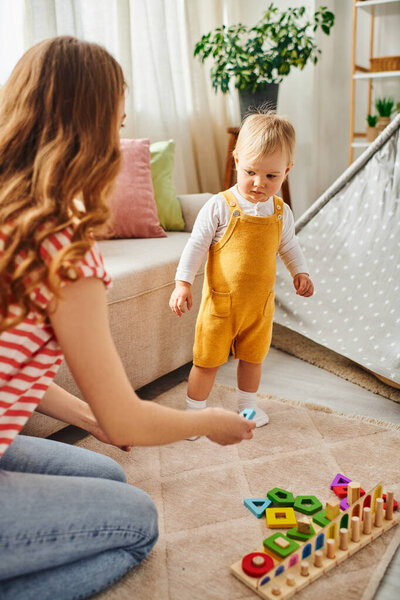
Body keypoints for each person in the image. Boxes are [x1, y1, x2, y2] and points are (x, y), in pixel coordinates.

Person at [0, 37, 255, 600]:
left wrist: (88, 417)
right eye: (116, 126)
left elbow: (11, 367)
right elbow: (126, 424)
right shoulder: (63, 251)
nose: (120, 142)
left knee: (106, 478)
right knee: (136, 524)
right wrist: (206, 423)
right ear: (89, 134)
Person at [169, 111, 314, 429]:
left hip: (259, 309)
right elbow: (195, 246)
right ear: (236, 160)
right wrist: (183, 283)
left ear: (287, 171)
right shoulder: (220, 206)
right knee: (206, 362)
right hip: (222, 305)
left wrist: (299, 272)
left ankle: (247, 409)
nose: (259, 183)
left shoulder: (281, 212)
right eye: (250, 172)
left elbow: (288, 246)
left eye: (272, 177)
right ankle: (195, 415)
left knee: (253, 360)